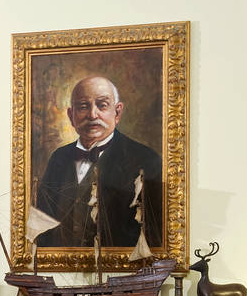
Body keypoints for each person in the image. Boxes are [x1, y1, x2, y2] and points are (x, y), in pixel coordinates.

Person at [33, 76, 162, 249]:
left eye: (102, 105)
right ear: (71, 115)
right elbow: (42, 224)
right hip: (61, 262)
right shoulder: (59, 158)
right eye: (83, 106)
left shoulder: (146, 160)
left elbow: (155, 235)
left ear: (117, 112)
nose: (92, 115)